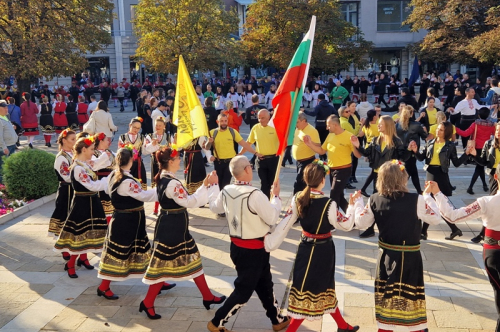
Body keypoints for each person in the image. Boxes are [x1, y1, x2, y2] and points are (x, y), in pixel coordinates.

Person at [264, 160, 360, 332]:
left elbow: (285, 223)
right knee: (307, 292)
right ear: (323, 180)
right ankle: (291, 330)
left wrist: (270, 241)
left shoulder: (298, 198)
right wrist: (352, 206)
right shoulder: (328, 204)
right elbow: (346, 224)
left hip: (306, 247)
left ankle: (342, 326)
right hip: (322, 251)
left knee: (323, 288)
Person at [351, 160, 442, 332]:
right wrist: (428, 196)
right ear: (402, 179)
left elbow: (360, 222)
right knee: (411, 298)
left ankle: (386, 328)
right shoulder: (417, 200)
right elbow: (436, 218)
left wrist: (357, 204)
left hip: (387, 257)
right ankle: (416, 327)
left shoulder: (374, 199)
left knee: (387, 298)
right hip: (410, 258)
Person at [207, 155, 289, 332]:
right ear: (246, 170)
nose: (251, 168)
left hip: (238, 248)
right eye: (250, 166)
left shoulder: (226, 190)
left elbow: (214, 207)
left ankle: (276, 318)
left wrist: (213, 186)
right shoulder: (255, 194)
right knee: (243, 291)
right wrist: (276, 198)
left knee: (265, 283)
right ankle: (217, 321)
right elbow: (273, 217)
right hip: (254, 250)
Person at [142, 147, 224, 320]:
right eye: (178, 158)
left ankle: (207, 296)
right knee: (162, 267)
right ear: (170, 162)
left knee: (193, 258)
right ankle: (148, 302)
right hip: (171, 228)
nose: (180, 160)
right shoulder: (171, 183)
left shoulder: (166, 178)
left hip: (175, 225)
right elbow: (190, 202)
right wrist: (206, 186)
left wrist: (204, 185)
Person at [97, 148, 158, 301]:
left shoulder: (114, 175)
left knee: (143, 249)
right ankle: (103, 287)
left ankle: (156, 281)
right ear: (131, 160)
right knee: (119, 253)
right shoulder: (127, 181)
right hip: (127, 221)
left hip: (126, 219)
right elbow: (144, 196)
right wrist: (161, 188)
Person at [54, 135, 109, 278]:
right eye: (91, 149)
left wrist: (108, 155)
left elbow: (97, 163)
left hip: (92, 202)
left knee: (87, 235)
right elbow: (92, 186)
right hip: (82, 204)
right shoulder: (78, 168)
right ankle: (71, 264)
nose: (93, 151)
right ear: (84, 149)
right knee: (79, 236)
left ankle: (81, 259)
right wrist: (108, 180)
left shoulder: (85, 164)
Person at [409, 121, 467, 240]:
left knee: (436, 204)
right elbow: (422, 158)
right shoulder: (430, 142)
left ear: (446, 132)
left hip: (441, 175)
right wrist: (415, 151)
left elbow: (456, 163)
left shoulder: (450, 145)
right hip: (430, 173)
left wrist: (466, 154)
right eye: (437, 129)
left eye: (441, 130)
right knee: (432, 204)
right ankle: (452, 230)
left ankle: (425, 232)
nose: (437, 131)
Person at [355, 115, 411, 238]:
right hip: (377, 175)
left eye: (381, 123)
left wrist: (410, 150)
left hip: (390, 176)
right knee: (377, 201)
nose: (378, 125)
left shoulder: (397, 142)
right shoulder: (376, 140)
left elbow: (402, 158)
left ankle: (382, 227)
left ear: (388, 126)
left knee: (388, 203)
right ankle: (371, 228)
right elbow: (366, 152)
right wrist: (357, 145)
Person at [304, 115, 361, 212]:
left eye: (328, 125)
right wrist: (310, 144)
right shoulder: (330, 135)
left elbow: (358, 155)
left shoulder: (349, 136)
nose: (326, 128)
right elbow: (322, 151)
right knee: (339, 195)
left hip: (344, 169)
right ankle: (353, 218)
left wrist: (357, 145)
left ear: (335, 125)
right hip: (332, 169)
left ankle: (332, 219)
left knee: (334, 194)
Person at [204, 113, 259, 193]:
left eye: (225, 121)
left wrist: (255, 153)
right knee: (218, 183)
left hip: (230, 162)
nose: (224, 123)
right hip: (218, 162)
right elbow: (206, 148)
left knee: (226, 183)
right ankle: (220, 199)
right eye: (221, 121)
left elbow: (244, 144)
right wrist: (209, 142)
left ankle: (223, 199)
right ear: (217, 122)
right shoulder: (212, 133)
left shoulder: (232, 132)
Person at [469, 122, 500, 243]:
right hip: (494, 176)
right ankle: (483, 233)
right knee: (493, 202)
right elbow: (483, 162)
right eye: (497, 130)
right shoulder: (489, 144)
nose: (498, 132)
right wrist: (475, 155)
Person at [48, 129, 76, 262]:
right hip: (66, 191)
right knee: (65, 217)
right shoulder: (61, 157)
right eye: (72, 139)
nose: (75, 142)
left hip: (75, 190)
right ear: (64, 140)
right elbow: (67, 176)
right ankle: (63, 248)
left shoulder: (74, 154)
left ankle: (75, 249)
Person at [240, 109, 279, 198]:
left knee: (272, 183)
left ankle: (273, 203)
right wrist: (240, 153)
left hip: (273, 160)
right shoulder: (256, 128)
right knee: (264, 183)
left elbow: (284, 141)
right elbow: (248, 143)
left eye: (263, 118)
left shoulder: (275, 127)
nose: (260, 120)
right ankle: (264, 203)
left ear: (269, 117)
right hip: (261, 161)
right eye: (259, 118)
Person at [456, 107, 496, 194]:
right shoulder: (492, 125)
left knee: (479, 167)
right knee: (480, 167)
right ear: (488, 115)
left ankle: (470, 187)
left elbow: (465, 133)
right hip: (486, 149)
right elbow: (495, 134)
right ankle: (484, 185)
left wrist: (455, 129)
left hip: (476, 148)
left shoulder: (475, 124)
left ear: (478, 115)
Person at [396, 106, 428, 195]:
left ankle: (417, 190)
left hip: (400, 151)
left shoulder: (398, 124)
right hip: (411, 152)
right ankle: (400, 189)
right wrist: (425, 131)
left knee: (411, 171)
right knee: (410, 171)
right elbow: (424, 136)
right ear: (412, 114)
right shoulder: (416, 125)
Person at [145, 117, 170, 215]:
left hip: (166, 163)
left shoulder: (168, 136)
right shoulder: (150, 136)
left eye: (160, 125)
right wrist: (153, 144)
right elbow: (146, 150)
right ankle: (155, 208)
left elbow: (175, 148)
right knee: (157, 184)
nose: (158, 127)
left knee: (166, 183)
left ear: (164, 126)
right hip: (155, 162)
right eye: (156, 125)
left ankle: (165, 205)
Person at [292, 112, 320, 194]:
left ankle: (296, 202)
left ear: (304, 121)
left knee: (298, 184)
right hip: (299, 162)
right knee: (303, 185)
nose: (295, 124)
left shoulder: (312, 130)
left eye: (297, 122)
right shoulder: (298, 129)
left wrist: (310, 143)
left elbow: (318, 145)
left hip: (307, 161)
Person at [118, 117, 149, 189]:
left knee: (140, 182)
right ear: (130, 125)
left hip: (137, 163)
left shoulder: (141, 137)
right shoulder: (123, 137)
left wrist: (152, 146)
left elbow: (145, 151)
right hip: (126, 163)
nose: (136, 130)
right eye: (134, 127)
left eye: (138, 128)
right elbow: (120, 151)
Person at [304, 93, 336, 161]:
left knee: (320, 140)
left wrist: (304, 111)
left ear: (318, 99)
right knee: (325, 140)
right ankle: (324, 154)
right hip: (327, 126)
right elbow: (335, 114)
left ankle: (321, 154)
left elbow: (313, 114)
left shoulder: (318, 107)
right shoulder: (330, 106)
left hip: (319, 125)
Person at [93, 133, 116, 223]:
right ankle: (105, 224)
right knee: (104, 203)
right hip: (101, 179)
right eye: (107, 140)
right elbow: (94, 166)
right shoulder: (94, 153)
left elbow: (117, 157)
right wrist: (104, 157)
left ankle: (111, 224)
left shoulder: (109, 151)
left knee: (111, 203)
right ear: (101, 141)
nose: (108, 142)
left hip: (110, 179)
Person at [0, 100, 18, 182]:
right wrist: (4, 147)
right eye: (4, 107)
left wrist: (12, 126)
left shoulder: (5, 116)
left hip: (11, 144)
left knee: (9, 165)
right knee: (3, 167)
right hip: (5, 147)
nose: (6, 109)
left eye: (6, 107)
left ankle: (7, 182)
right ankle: (2, 185)